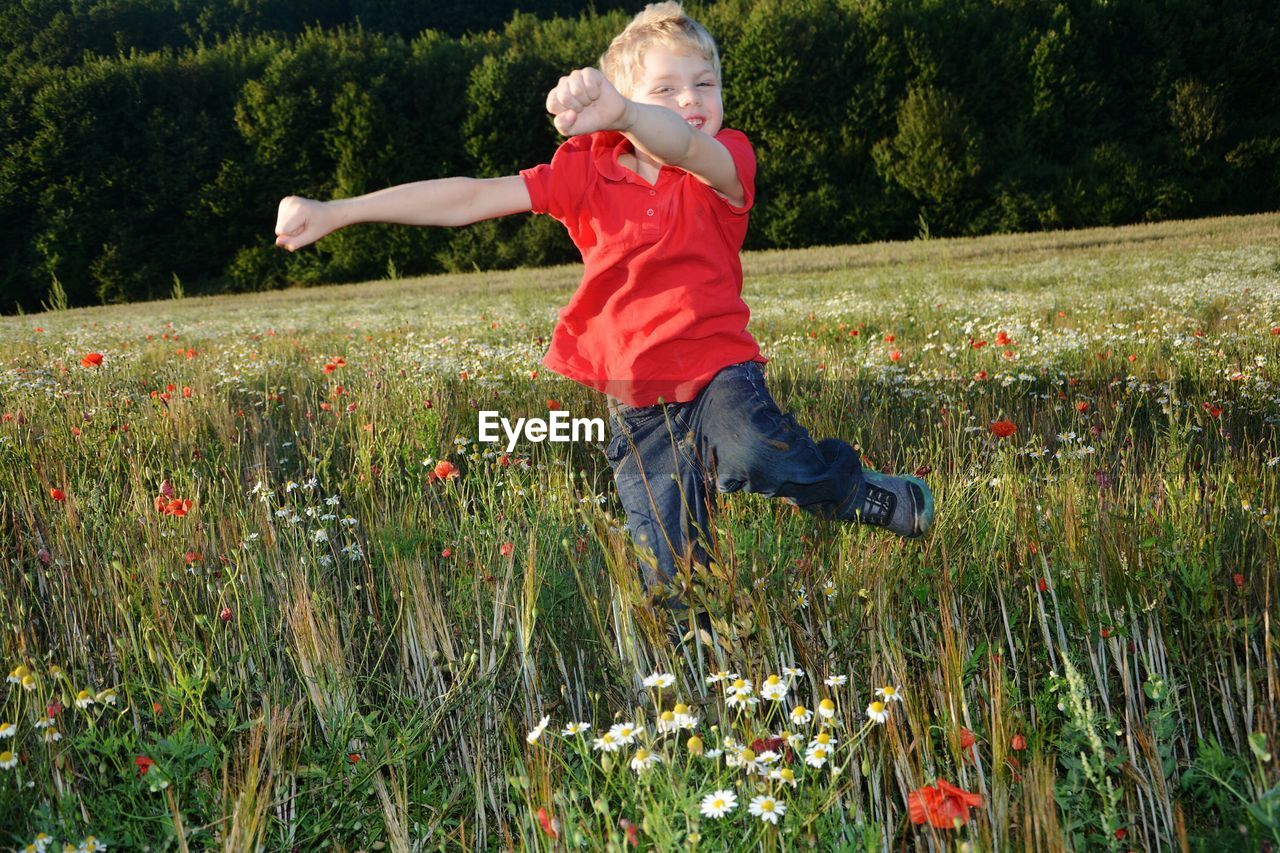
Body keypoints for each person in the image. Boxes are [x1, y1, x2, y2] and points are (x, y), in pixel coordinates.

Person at [274, 1, 934, 616]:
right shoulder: (585, 172)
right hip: (638, 403)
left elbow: (680, 144)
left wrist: (625, 111)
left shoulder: (723, 161)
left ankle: (852, 490)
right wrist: (339, 212)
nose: (691, 101)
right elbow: (468, 198)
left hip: (719, 378)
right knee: (669, 579)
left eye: (705, 85)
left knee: (755, 450)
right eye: (667, 89)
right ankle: (703, 687)